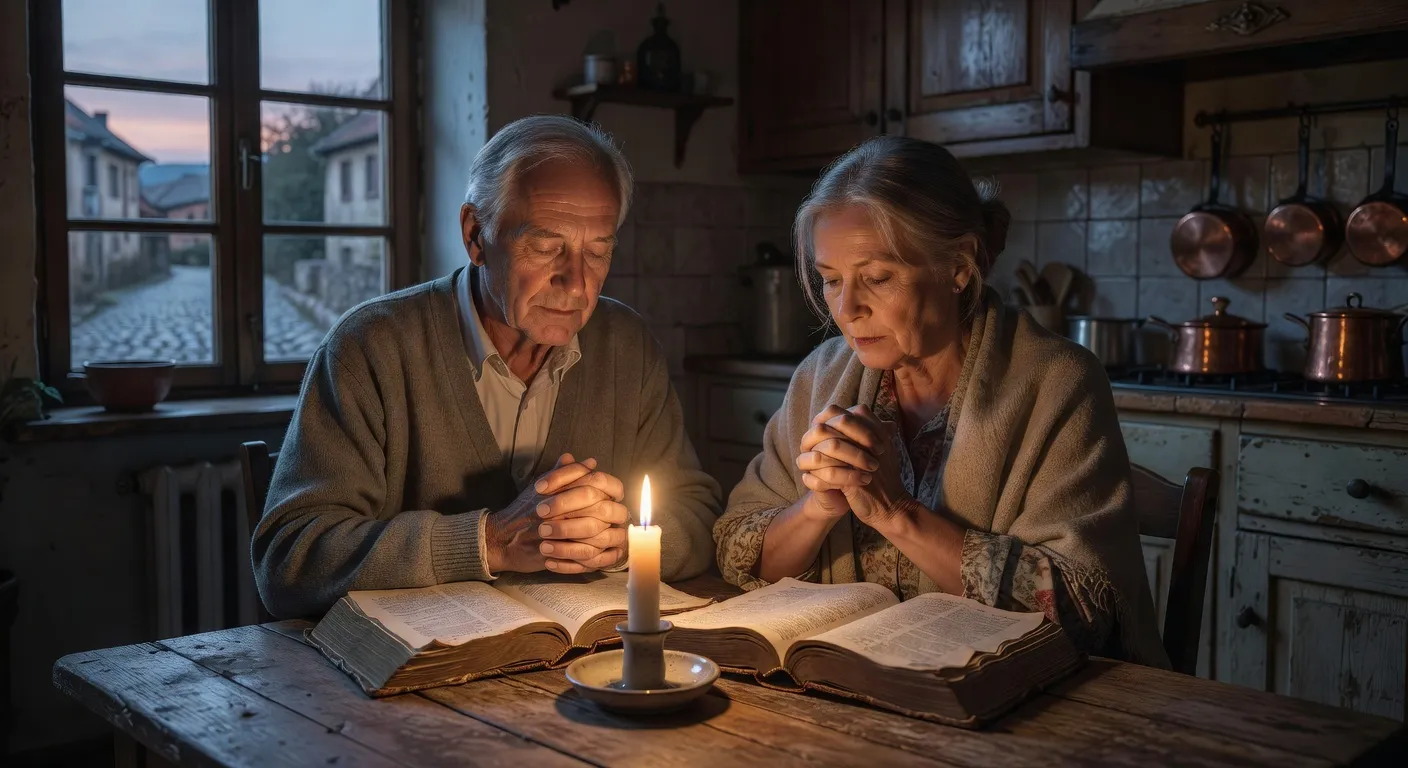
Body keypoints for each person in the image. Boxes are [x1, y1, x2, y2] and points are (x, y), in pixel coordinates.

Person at [713, 136, 1167, 666]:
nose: (847, 308)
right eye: (830, 279)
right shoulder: (821, 377)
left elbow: (1081, 610)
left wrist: (895, 512)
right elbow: (737, 552)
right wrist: (818, 508)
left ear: (958, 265)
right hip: (854, 684)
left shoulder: (1056, 383)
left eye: (878, 278)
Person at [254, 115, 721, 618]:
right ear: (476, 236)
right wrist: (490, 541)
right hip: (407, 680)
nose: (578, 284)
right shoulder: (371, 345)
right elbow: (289, 559)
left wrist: (627, 540)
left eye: (598, 252)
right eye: (545, 248)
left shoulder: (626, 344)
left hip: (577, 667)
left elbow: (698, 515)